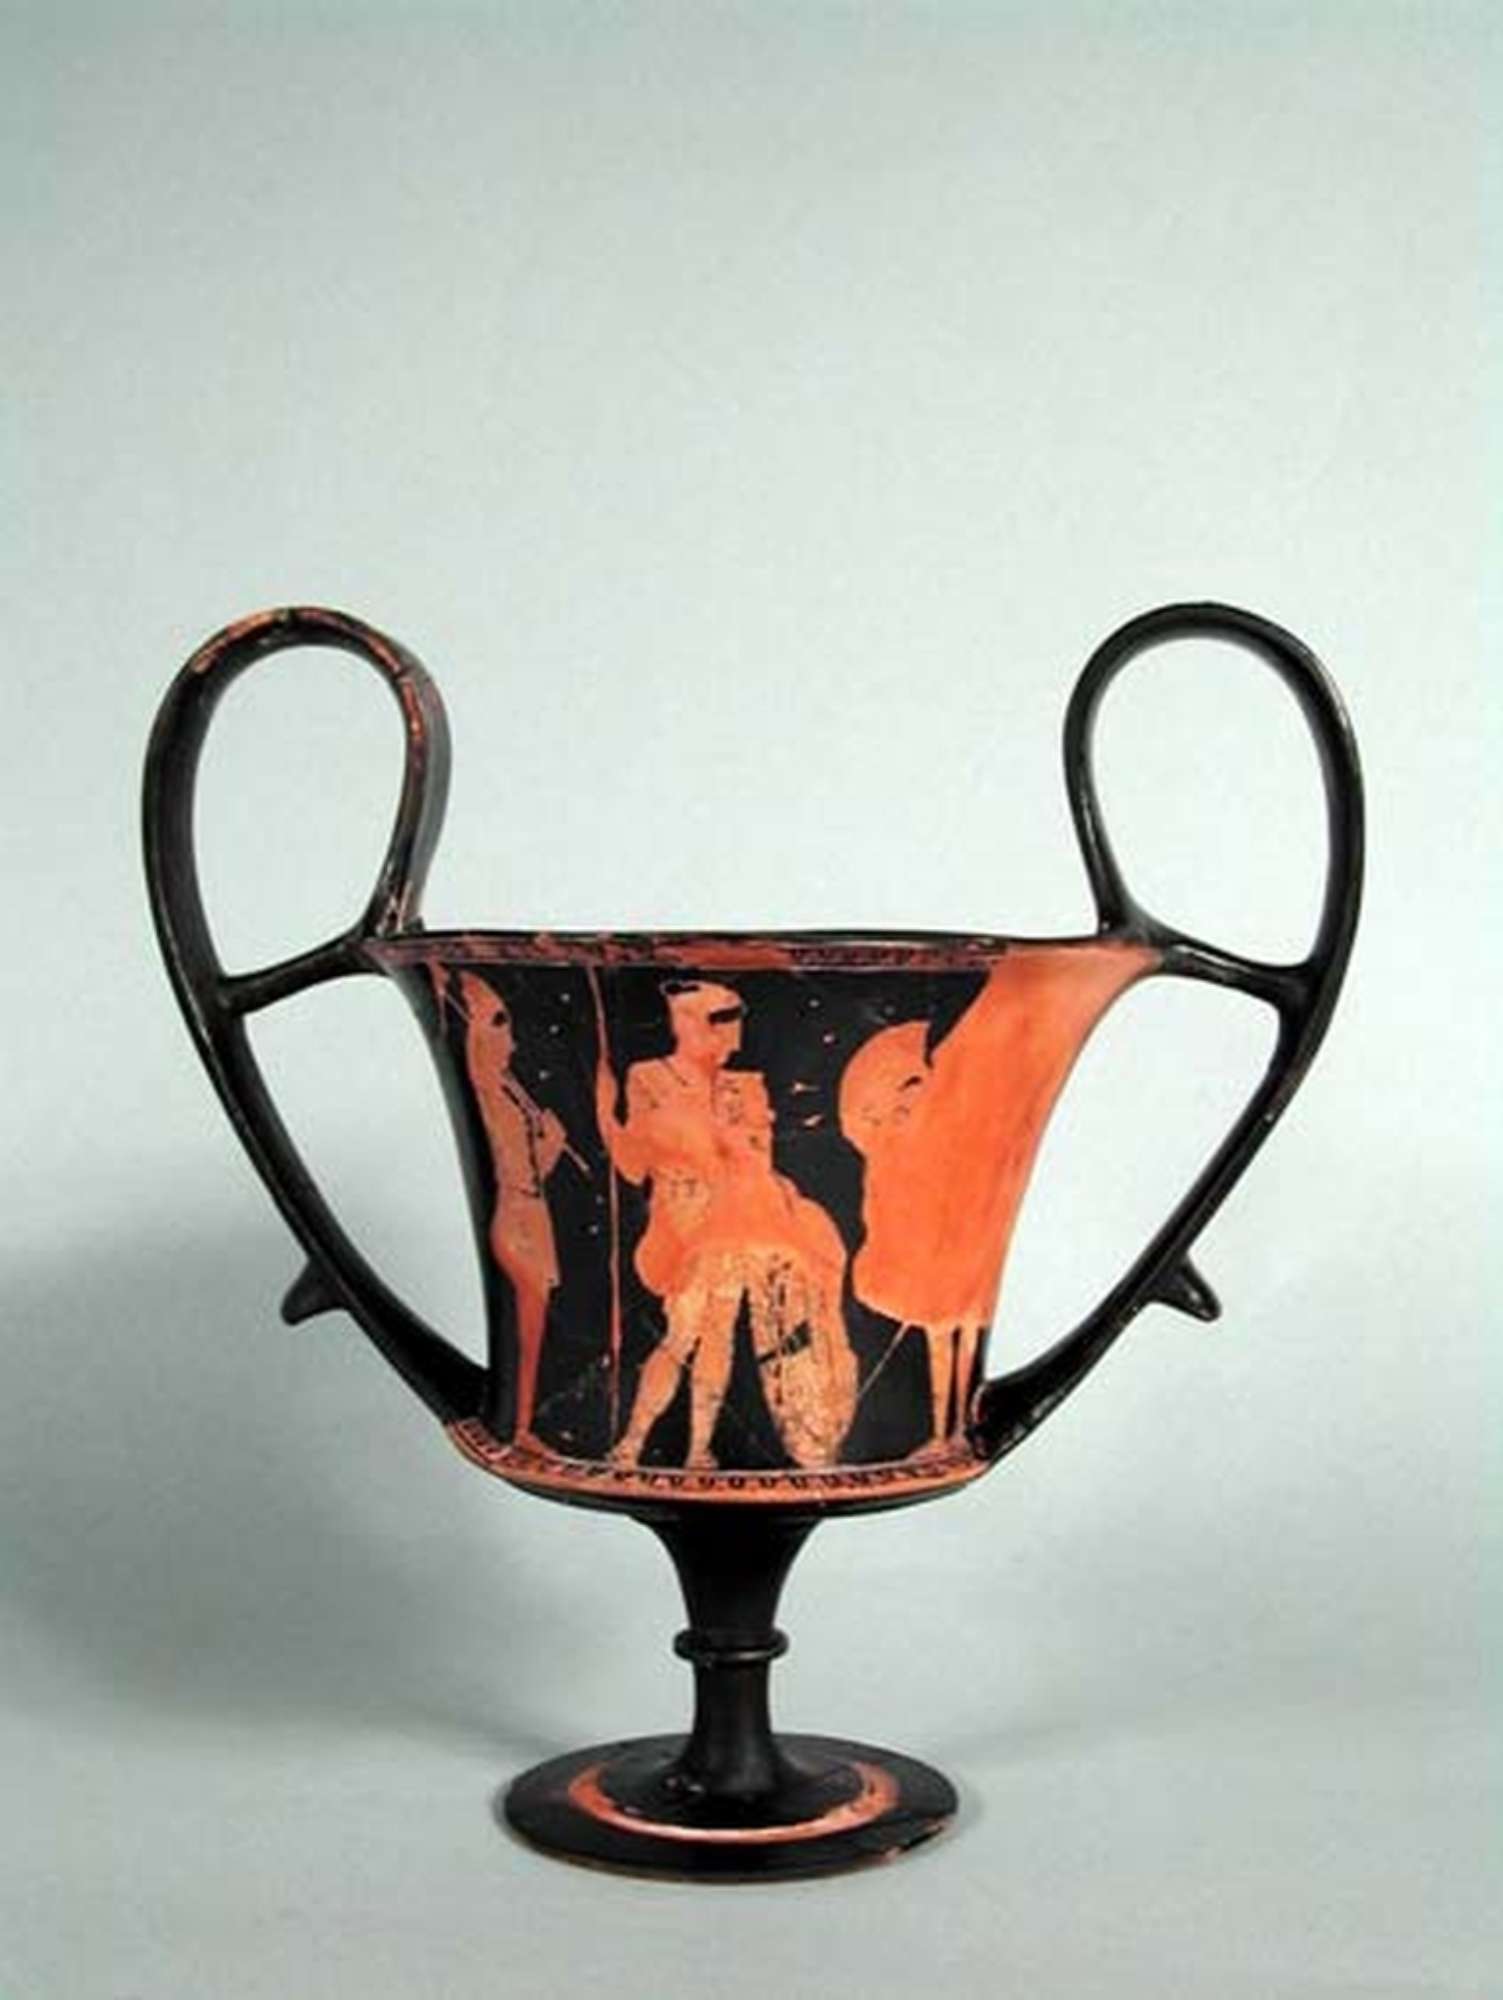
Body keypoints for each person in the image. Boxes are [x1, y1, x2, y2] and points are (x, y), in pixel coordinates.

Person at [595, 980, 853, 1470]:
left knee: (718, 1334)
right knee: (683, 1334)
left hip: (741, 1216)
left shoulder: (745, 1084)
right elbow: (633, 1166)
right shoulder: (649, 1077)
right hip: (683, 1221)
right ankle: (632, 1443)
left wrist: (725, 1144)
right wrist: (607, 1117)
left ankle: (698, 1450)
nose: (731, 1035)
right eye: (720, 1022)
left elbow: (755, 1159)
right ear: (686, 1022)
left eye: (734, 1021)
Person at [452, 970, 570, 1451]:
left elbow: (528, 1168)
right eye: (499, 1025)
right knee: (528, 1332)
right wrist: (553, 1145)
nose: (512, 1041)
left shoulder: (502, 1091)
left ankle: (522, 1426)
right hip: (519, 1216)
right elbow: (522, 1171)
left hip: (530, 1213)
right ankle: (520, 1429)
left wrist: (548, 1144)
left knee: (533, 1331)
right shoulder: (492, 1092)